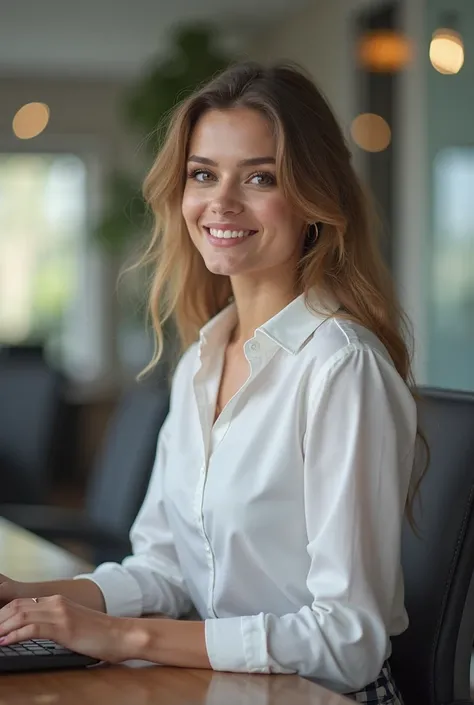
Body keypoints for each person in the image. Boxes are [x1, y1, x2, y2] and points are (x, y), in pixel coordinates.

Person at [0, 62, 420, 704]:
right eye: (203, 174)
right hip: (217, 683)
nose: (221, 203)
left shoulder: (340, 368)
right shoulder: (203, 358)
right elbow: (164, 568)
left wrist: (124, 637)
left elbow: (346, 640)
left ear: (312, 197)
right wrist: (30, 598)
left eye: (259, 177)